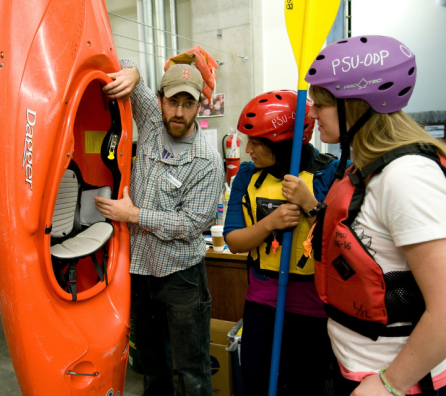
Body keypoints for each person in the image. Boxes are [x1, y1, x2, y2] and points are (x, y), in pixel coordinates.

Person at [306, 35, 446, 396]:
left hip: (395, 381)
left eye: (320, 103)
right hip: (355, 367)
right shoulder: (366, 169)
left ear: (355, 105)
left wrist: (389, 384)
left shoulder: (407, 176)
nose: (312, 113)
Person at [95, 61, 224, 396]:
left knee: (192, 368)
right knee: (152, 364)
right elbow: (119, 66)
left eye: (188, 104)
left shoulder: (208, 162)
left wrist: (133, 215)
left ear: (199, 105)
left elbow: (192, 224)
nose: (179, 112)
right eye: (172, 102)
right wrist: (135, 73)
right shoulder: (152, 122)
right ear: (161, 99)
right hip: (139, 271)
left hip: (181, 275)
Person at [223, 90, 338, 395]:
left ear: (283, 144)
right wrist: (269, 224)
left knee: (304, 387)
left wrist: (309, 203)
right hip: (261, 302)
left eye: (257, 144)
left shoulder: (328, 172)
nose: (248, 150)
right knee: (256, 382)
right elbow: (234, 241)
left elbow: (340, 243)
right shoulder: (247, 176)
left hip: (312, 308)